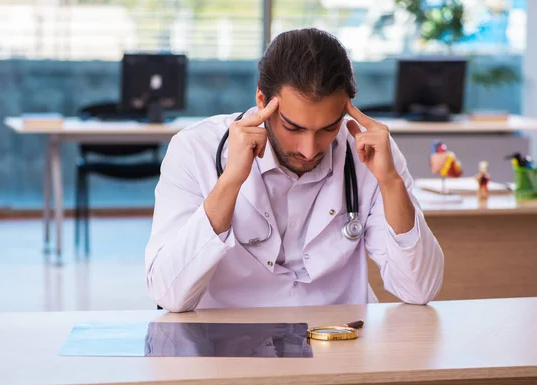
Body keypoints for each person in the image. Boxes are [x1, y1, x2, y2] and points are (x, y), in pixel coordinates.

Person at [145, 28, 444, 312]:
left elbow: (419, 290)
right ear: (262, 100)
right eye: (293, 127)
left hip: (341, 340)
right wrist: (230, 183)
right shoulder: (195, 149)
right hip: (227, 346)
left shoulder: (372, 152)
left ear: (347, 108)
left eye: (328, 127)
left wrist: (390, 183)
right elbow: (170, 295)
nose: (309, 149)